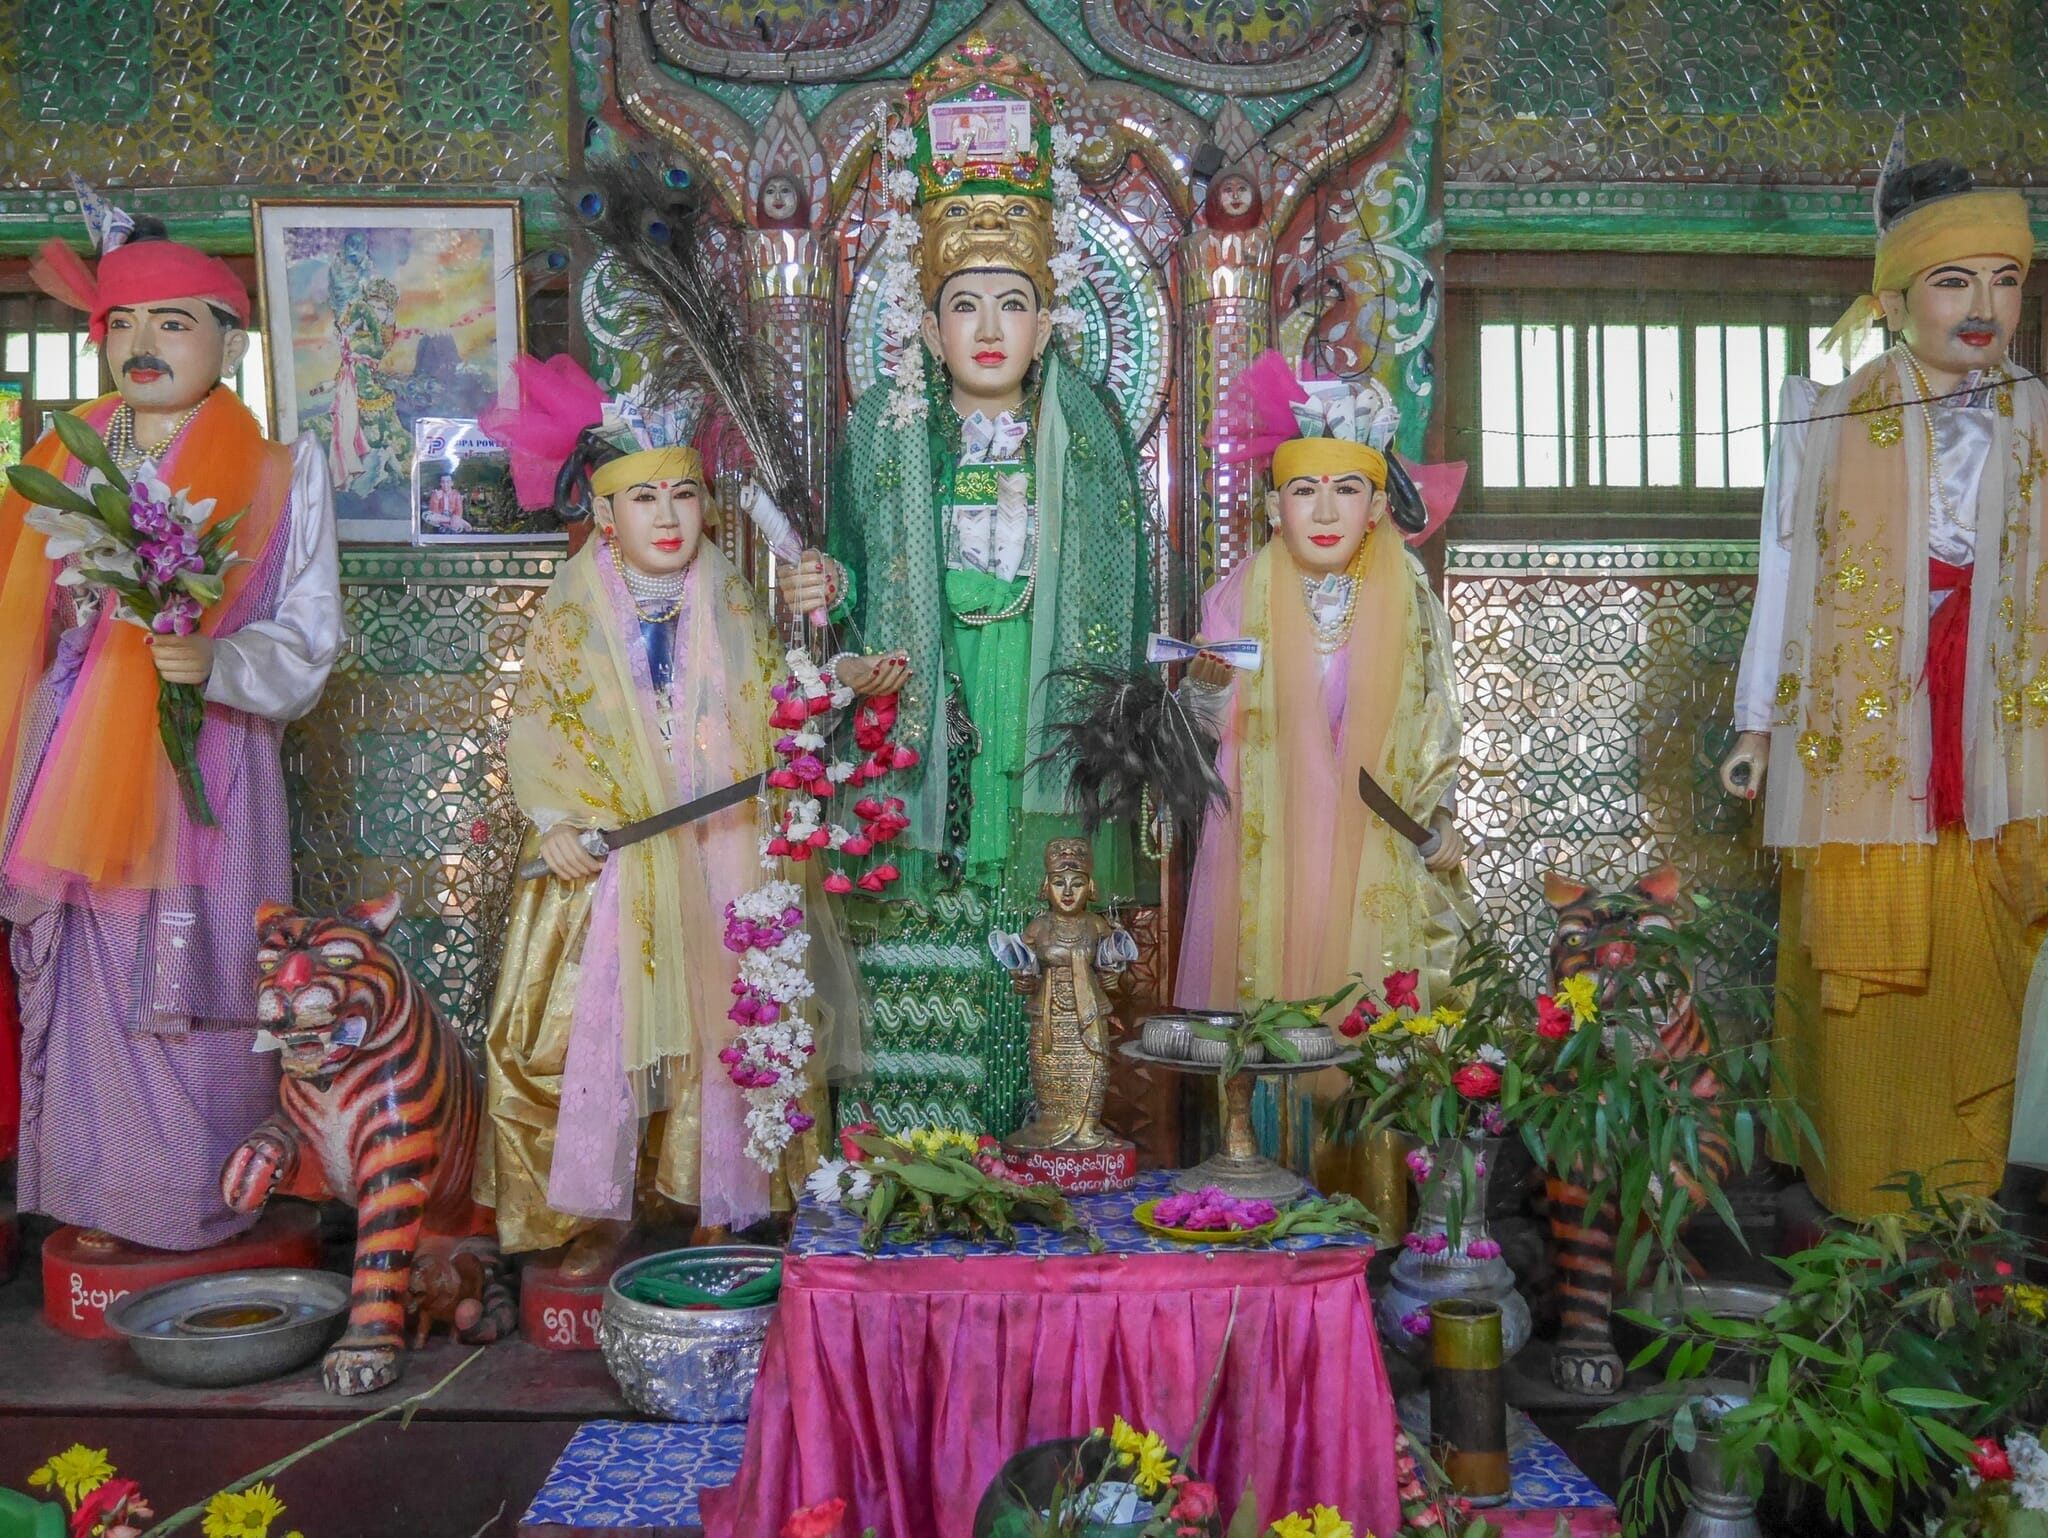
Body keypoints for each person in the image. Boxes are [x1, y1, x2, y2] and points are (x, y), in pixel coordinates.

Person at [777, 39, 1153, 1137]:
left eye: (1012, 304)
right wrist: (824, 585)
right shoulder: (886, 435)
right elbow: (848, 578)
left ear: (1049, 320)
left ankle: (1036, 1130)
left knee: (1037, 918)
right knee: (920, 918)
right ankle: (916, 1147)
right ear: (924, 323)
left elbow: (1119, 605)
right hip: (926, 691)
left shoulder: (1087, 436)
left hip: (1039, 697)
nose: (987, 329)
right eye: (964, 306)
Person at [0, 211, 341, 1251]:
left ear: (229, 342)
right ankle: (104, 1196)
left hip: (212, 754)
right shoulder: (62, 454)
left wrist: (219, 663)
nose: (143, 342)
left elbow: (312, 637)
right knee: (95, 970)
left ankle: (206, 1191)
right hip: (72, 758)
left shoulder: (284, 468)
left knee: (202, 972)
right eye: (122, 321)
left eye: (174, 322)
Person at [1721, 149, 2048, 1218]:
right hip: (1868, 733)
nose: (1982, 305)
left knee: (1989, 947)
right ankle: (1860, 1192)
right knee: (1865, 967)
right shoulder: (1828, 413)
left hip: (1999, 732)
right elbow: (1786, 574)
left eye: (2004, 279)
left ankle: (1967, 1195)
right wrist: (1757, 724)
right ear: (1894, 296)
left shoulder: (2036, 413)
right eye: (1952, 281)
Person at [475, 357, 829, 1271]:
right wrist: (554, 816)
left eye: (684, 495)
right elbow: (543, 724)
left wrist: (821, 648)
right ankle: (600, 1209)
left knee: (731, 1008)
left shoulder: (734, 596)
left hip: (720, 845)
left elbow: (771, 716)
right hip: (613, 853)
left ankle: (726, 1198)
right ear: (603, 515)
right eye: (644, 499)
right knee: (598, 1020)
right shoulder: (572, 611)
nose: (669, 518)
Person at [1174, 352, 1470, 1202]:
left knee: (1372, 1021)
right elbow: (1200, 744)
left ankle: (1370, 1227)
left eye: (1347, 489)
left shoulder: (1409, 592)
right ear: (1274, 506)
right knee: (1272, 1027)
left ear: (1379, 505)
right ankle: (1270, 1212)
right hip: (1272, 856)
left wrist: (1439, 816)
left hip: (1376, 849)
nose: (1326, 509)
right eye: (1305, 491)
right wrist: (1200, 692)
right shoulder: (1238, 595)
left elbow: (1436, 717)